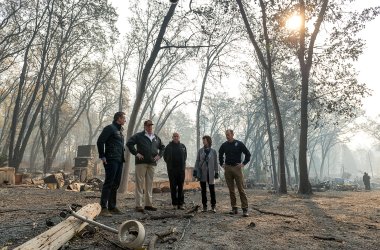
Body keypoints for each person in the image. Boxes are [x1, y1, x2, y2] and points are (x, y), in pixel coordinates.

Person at [127, 119, 165, 213]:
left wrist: (159, 155)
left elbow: (163, 147)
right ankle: (138, 205)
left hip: (152, 163)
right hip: (141, 163)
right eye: (148, 126)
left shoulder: (156, 137)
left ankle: (148, 204)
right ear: (144, 126)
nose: (150, 127)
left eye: (151, 126)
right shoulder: (139, 136)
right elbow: (129, 143)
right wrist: (136, 153)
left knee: (149, 184)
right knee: (139, 184)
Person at [96, 111, 126, 217]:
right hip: (110, 159)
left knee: (116, 183)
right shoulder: (109, 128)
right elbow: (100, 141)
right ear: (118, 118)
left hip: (119, 160)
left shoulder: (119, 131)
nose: (125, 120)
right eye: (123, 118)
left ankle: (112, 207)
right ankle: (103, 207)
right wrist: (102, 156)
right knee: (109, 182)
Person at [219, 129, 251, 217]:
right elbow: (220, 153)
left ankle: (245, 209)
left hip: (237, 168)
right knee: (231, 190)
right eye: (226, 135)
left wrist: (243, 164)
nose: (227, 136)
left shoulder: (239, 144)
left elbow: (248, 154)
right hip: (228, 168)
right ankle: (234, 208)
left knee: (241, 189)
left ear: (233, 134)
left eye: (228, 134)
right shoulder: (224, 145)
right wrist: (222, 164)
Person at [194, 135, 219, 213]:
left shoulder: (213, 151)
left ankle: (213, 206)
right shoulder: (200, 151)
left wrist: (216, 172)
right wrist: (195, 170)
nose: (203, 142)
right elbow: (197, 161)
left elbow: (215, 163)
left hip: (211, 173)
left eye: (204, 140)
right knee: (203, 190)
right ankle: (204, 206)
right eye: (203, 140)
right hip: (202, 173)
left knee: (212, 190)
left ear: (208, 141)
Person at [163, 132, 187, 210]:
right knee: (173, 187)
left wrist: (182, 166)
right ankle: (174, 204)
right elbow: (165, 157)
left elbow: (185, 157)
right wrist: (169, 164)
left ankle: (181, 204)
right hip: (172, 170)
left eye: (177, 136)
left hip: (181, 170)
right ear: (172, 137)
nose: (176, 138)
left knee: (181, 186)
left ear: (179, 137)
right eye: (174, 136)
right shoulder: (168, 147)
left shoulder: (183, 146)